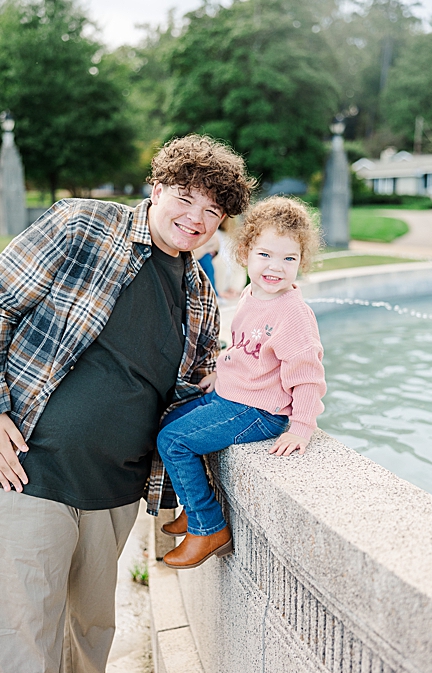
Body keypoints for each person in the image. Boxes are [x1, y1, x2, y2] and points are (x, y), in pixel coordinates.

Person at [0, 134, 254, 673]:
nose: (195, 218)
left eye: (212, 210)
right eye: (185, 198)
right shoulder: (83, 226)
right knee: (24, 643)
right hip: (26, 474)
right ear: (157, 188)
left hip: (115, 495)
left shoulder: (201, 298)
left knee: (89, 642)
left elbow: (198, 394)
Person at [154, 195, 326, 569]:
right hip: (232, 397)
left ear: (302, 262)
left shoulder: (294, 315)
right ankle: (194, 503)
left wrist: (300, 429)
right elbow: (245, 350)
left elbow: (309, 378)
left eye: (289, 259)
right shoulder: (252, 294)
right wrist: (222, 372)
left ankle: (208, 526)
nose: (275, 268)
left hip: (259, 411)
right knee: (168, 420)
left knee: (174, 441)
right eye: (265, 255)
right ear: (246, 252)